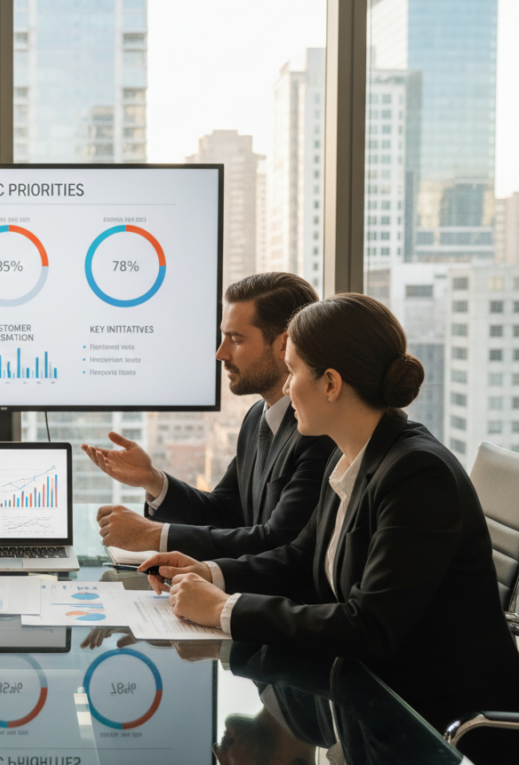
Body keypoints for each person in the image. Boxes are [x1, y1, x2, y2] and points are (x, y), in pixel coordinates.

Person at [143, 293, 519, 762]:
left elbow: (369, 626)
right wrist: (210, 572)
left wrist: (225, 609)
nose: (287, 385)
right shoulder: (349, 453)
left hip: (436, 726)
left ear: (331, 383)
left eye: (293, 370)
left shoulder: (418, 474)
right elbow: (300, 559)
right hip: (368, 707)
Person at [85, 272, 336, 560]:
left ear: (284, 345)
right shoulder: (257, 417)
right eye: (223, 337)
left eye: (235, 339)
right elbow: (225, 510)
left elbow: (277, 542)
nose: (220, 353)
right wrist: (153, 480)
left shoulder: (319, 431)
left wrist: (153, 535)